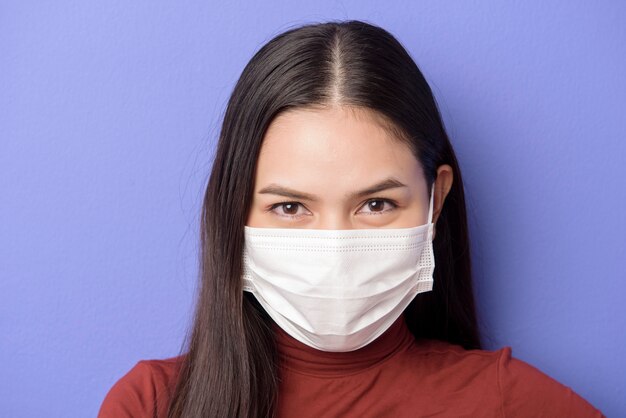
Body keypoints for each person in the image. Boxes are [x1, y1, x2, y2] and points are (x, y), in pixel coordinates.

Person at [97, 20, 604, 417]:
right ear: (235, 210)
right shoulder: (152, 405)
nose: (335, 249)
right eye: (290, 207)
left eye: (376, 204)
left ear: (435, 199)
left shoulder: (507, 403)